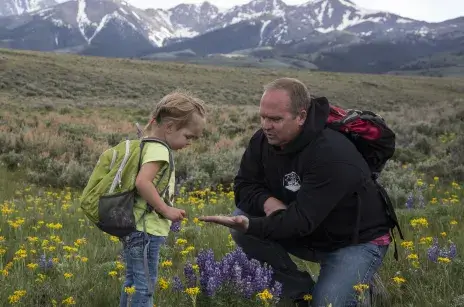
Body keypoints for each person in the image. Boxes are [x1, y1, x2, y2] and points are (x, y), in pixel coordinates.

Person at [199, 78, 395, 307]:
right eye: (263, 117)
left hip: (353, 241)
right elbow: (243, 186)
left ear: (301, 116)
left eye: (275, 119)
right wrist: (267, 202)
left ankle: (362, 285)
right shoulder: (263, 140)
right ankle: (299, 293)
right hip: (308, 229)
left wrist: (251, 225)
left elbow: (300, 222)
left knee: (328, 303)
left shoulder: (330, 152)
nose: (265, 125)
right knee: (245, 220)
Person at [119, 90, 206, 307]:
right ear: (169, 127)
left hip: (135, 227)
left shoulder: (146, 144)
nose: (189, 143)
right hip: (147, 230)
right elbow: (142, 182)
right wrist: (166, 210)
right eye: (188, 136)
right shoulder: (159, 150)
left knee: (133, 282)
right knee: (145, 285)